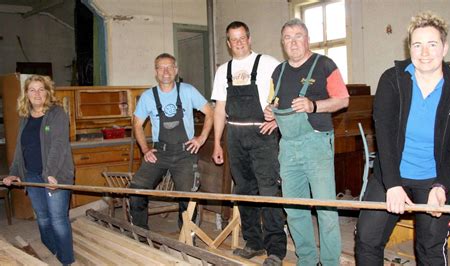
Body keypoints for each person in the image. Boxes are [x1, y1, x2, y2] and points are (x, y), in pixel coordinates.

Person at [355, 11, 450, 265]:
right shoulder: (392, 80)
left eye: (432, 44)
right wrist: (393, 184)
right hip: (392, 173)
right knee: (367, 238)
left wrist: (442, 186)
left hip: (434, 177)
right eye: (417, 45)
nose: (425, 52)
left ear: (444, 48)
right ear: (410, 48)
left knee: (430, 248)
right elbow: (384, 135)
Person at [264, 18, 349, 266]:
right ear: (282, 43)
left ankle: (331, 261)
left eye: (298, 36)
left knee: (325, 209)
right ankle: (308, 260)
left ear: (307, 38)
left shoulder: (324, 65)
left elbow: (343, 100)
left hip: (317, 143)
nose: (293, 42)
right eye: (288, 37)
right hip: (288, 146)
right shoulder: (278, 71)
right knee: (295, 209)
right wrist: (270, 112)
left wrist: (314, 106)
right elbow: (273, 102)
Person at [211, 21, 287, 265]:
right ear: (228, 43)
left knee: (268, 191)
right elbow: (220, 109)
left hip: (263, 135)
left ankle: (276, 249)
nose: (239, 42)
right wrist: (217, 143)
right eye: (233, 39)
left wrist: (277, 116)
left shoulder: (269, 63)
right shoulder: (223, 70)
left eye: (242, 37)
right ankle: (254, 243)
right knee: (244, 192)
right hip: (235, 136)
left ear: (249, 38)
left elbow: (285, 93)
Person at [129, 53, 213, 232]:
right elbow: (136, 124)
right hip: (160, 152)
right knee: (136, 190)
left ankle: (187, 238)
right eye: (161, 67)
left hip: (185, 153)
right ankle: (140, 234)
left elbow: (210, 112)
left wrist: (202, 138)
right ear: (156, 72)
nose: (165, 71)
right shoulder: (147, 96)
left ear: (176, 70)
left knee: (188, 197)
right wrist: (145, 150)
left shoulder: (188, 90)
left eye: (169, 67)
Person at [2, 75, 75, 265]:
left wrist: (50, 173)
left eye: (41, 89)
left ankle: (66, 260)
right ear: (26, 94)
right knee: (42, 219)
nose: (37, 93)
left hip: (55, 175)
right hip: (32, 175)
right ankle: (52, 255)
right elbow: (20, 148)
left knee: (58, 220)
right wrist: (14, 171)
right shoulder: (24, 118)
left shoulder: (57, 114)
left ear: (48, 92)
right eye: (32, 89)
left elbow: (58, 146)